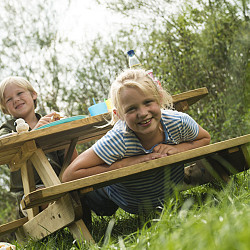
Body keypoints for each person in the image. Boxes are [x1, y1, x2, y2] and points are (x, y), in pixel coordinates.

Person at [62, 68, 211, 217]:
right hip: (121, 198)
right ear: (119, 115)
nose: (142, 113)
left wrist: (178, 149)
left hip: (165, 196)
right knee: (102, 207)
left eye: (147, 102)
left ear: (159, 98)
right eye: (132, 109)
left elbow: (205, 138)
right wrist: (123, 164)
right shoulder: (119, 138)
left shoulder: (177, 122)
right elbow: (69, 175)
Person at [0, 76, 78, 216]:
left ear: (33, 94)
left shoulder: (49, 122)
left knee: (75, 170)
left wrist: (65, 130)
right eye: (9, 99)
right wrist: (35, 132)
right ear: (4, 108)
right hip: (30, 190)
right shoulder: (7, 130)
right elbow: (4, 146)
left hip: (60, 180)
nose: (16, 99)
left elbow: (69, 158)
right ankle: (67, 221)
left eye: (19, 93)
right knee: (41, 194)